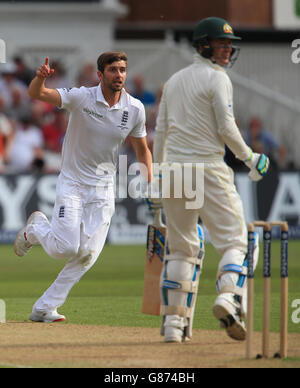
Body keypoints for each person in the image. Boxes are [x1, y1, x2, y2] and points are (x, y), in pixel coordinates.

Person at [147, 17, 270, 343]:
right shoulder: (218, 78)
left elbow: (160, 132)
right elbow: (226, 129)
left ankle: (174, 327)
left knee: (182, 249)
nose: (227, 49)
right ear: (203, 45)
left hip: (175, 172)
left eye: (230, 44)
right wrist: (251, 158)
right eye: (221, 44)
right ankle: (228, 298)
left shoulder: (173, 81)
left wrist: (157, 177)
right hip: (208, 170)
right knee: (238, 242)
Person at [14, 52, 153, 323]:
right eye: (113, 70)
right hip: (73, 183)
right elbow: (37, 94)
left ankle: (45, 308)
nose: (119, 75)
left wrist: (150, 183)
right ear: (100, 75)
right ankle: (36, 228)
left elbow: (143, 150)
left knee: (87, 254)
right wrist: (39, 79)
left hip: (103, 188)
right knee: (64, 248)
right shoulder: (81, 97)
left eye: (123, 70)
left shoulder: (135, 108)